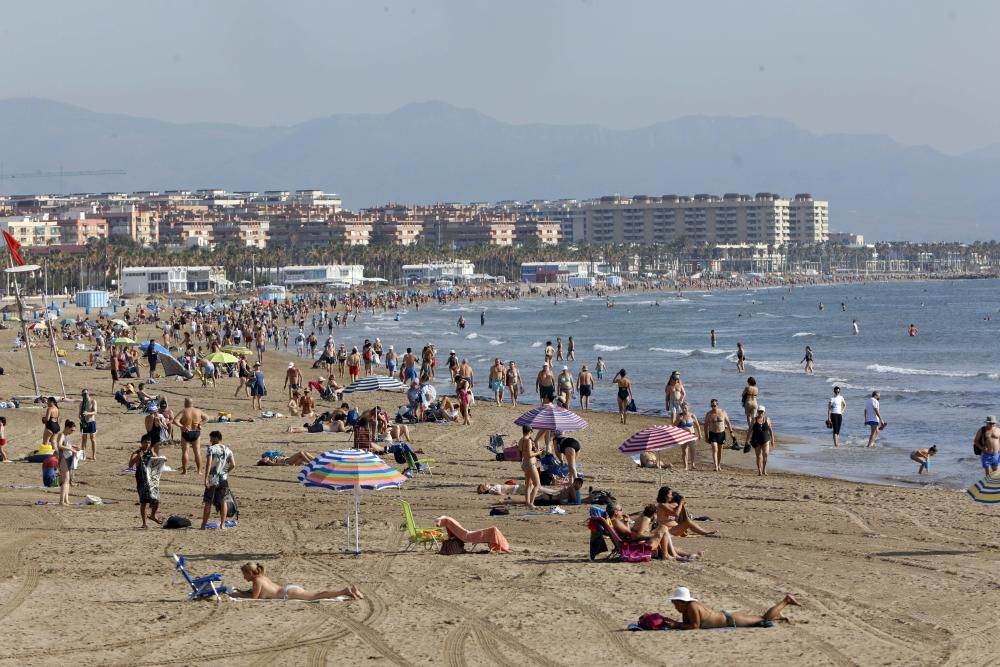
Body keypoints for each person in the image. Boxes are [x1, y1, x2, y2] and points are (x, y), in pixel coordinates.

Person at [665, 587, 799, 629]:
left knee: (762, 618)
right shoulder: (688, 608)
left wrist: (676, 625)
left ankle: (786, 601)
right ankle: (778, 615)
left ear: (682, 601)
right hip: (727, 616)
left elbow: (694, 627)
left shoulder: (692, 607)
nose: (675, 606)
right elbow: (687, 624)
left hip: (730, 619)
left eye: (676, 603)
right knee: (759, 619)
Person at [607, 503, 699, 561]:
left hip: (631, 544)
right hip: (634, 546)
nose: (622, 512)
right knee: (663, 529)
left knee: (663, 531)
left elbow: (629, 534)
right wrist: (651, 536)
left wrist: (627, 522)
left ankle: (685, 554)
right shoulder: (616, 522)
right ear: (615, 512)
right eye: (621, 510)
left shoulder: (616, 522)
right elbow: (633, 536)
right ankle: (668, 555)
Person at [231, 562, 363, 600]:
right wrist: (242, 591)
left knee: (317, 595)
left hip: (289, 593)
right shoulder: (262, 577)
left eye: (244, 575)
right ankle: (349, 591)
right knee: (317, 594)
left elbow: (254, 598)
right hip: (288, 589)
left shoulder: (257, 582)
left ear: (250, 573)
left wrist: (238, 594)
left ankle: (345, 591)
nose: (243, 578)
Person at [129, 434, 166, 527]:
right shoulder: (136, 453)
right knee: (144, 502)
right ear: (141, 443)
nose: (147, 444)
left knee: (157, 500)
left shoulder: (151, 452)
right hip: (141, 481)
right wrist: (138, 456)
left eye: (149, 442)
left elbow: (157, 462)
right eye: (145, 442)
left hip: (152, 481)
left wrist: (158, 456)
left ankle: (153, 515)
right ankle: (144, 523)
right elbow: (130, 465)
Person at [202, 430, 235, 529]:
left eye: (211, 438)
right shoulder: (228, 450)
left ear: (216, 438)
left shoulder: (211, 449)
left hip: (213, 478)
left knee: (208, 501)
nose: (210, 440)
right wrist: (226, 472)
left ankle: (203, 525)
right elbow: (233, 465)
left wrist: (206, 478)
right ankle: (222, 524)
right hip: (223, 479)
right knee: (223, 501)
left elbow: (208, 464)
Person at [176, 398, 208, 474]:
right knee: (197, 452)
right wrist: (200, 424)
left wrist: (181, 426)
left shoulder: (184, 411)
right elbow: (207, 418)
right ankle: (199, 471)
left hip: (186, 432)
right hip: (196, 432)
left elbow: (175, 420)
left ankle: (185, 471)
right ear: (192, 403)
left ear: (185, 403)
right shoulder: (198, 411)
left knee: (185, 452)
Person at [703, 399, 736, 472]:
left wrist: (731, 433)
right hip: (712, 433)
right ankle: (716, 466)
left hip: (721, 434)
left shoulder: (723, 412)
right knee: (715, 449)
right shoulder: (709, 414)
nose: (713, 407)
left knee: (720, 450)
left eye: (714, 405)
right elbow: (705, 425)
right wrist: (706, 436)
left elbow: (728, 423)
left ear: (717, 405)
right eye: (711, 406)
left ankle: (719, 464)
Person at [517, 426, 543, 509]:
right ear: (530, 431)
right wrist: (539, 452)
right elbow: (529, 455)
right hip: (530, 464)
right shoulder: (528, 440)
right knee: (537, 485)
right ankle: (531, 503)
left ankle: (528, 502)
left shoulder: (520, 440)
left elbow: (520, 454)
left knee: (528, 484)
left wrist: (533, 450)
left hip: (524, 464)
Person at [54, 420, 79, 506]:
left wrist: (74, 447)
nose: (72, 432)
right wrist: (71, 449)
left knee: (67, 480)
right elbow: (60, 445)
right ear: (67, 427)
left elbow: (67, 444)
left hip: (69, 457)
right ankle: (61, 501)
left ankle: (66, 499)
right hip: (63, 458)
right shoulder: (62, 435)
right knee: (65, 480)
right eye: (72, 430)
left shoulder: (67, 436)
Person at [673, 402, 702, 471]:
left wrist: (700, 434)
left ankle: (692, 464)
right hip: (682, 435)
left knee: (692, 450)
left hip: (691, 435)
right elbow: (673, 426)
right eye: (683, 408)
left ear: (688, 407)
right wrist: (678, 420)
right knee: (684, 451)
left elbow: (697, 425)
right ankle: (685, 466)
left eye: (685, 408)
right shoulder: (679, 416)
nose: (684, 409)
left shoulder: (692, 415)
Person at [749, 406, 773, 476]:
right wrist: (747, 440)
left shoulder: (767, 419)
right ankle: (759, 470)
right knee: (758, 456)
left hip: (766, 439)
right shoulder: (754, 420)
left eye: (762, 411)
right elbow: (750, 430)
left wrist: (772, 439)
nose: (760, 413)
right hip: (756, 440)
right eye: (759, 411)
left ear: (764, 412)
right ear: (757, 412)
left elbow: (771, 430)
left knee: (765, 454)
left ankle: (764, 469)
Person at [79, 389, 98, 461]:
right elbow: (79, 413)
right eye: (83, 394)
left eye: (85, 394)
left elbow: (95, 412)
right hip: (84, 422)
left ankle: (94, 455)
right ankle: (84, 455)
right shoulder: (81, 403)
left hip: (91, 421)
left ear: (88, 394)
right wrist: (80, 417)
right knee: (84, 439)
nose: (84, 396)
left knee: (92, 438)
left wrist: (88, 413)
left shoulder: (93, 401)